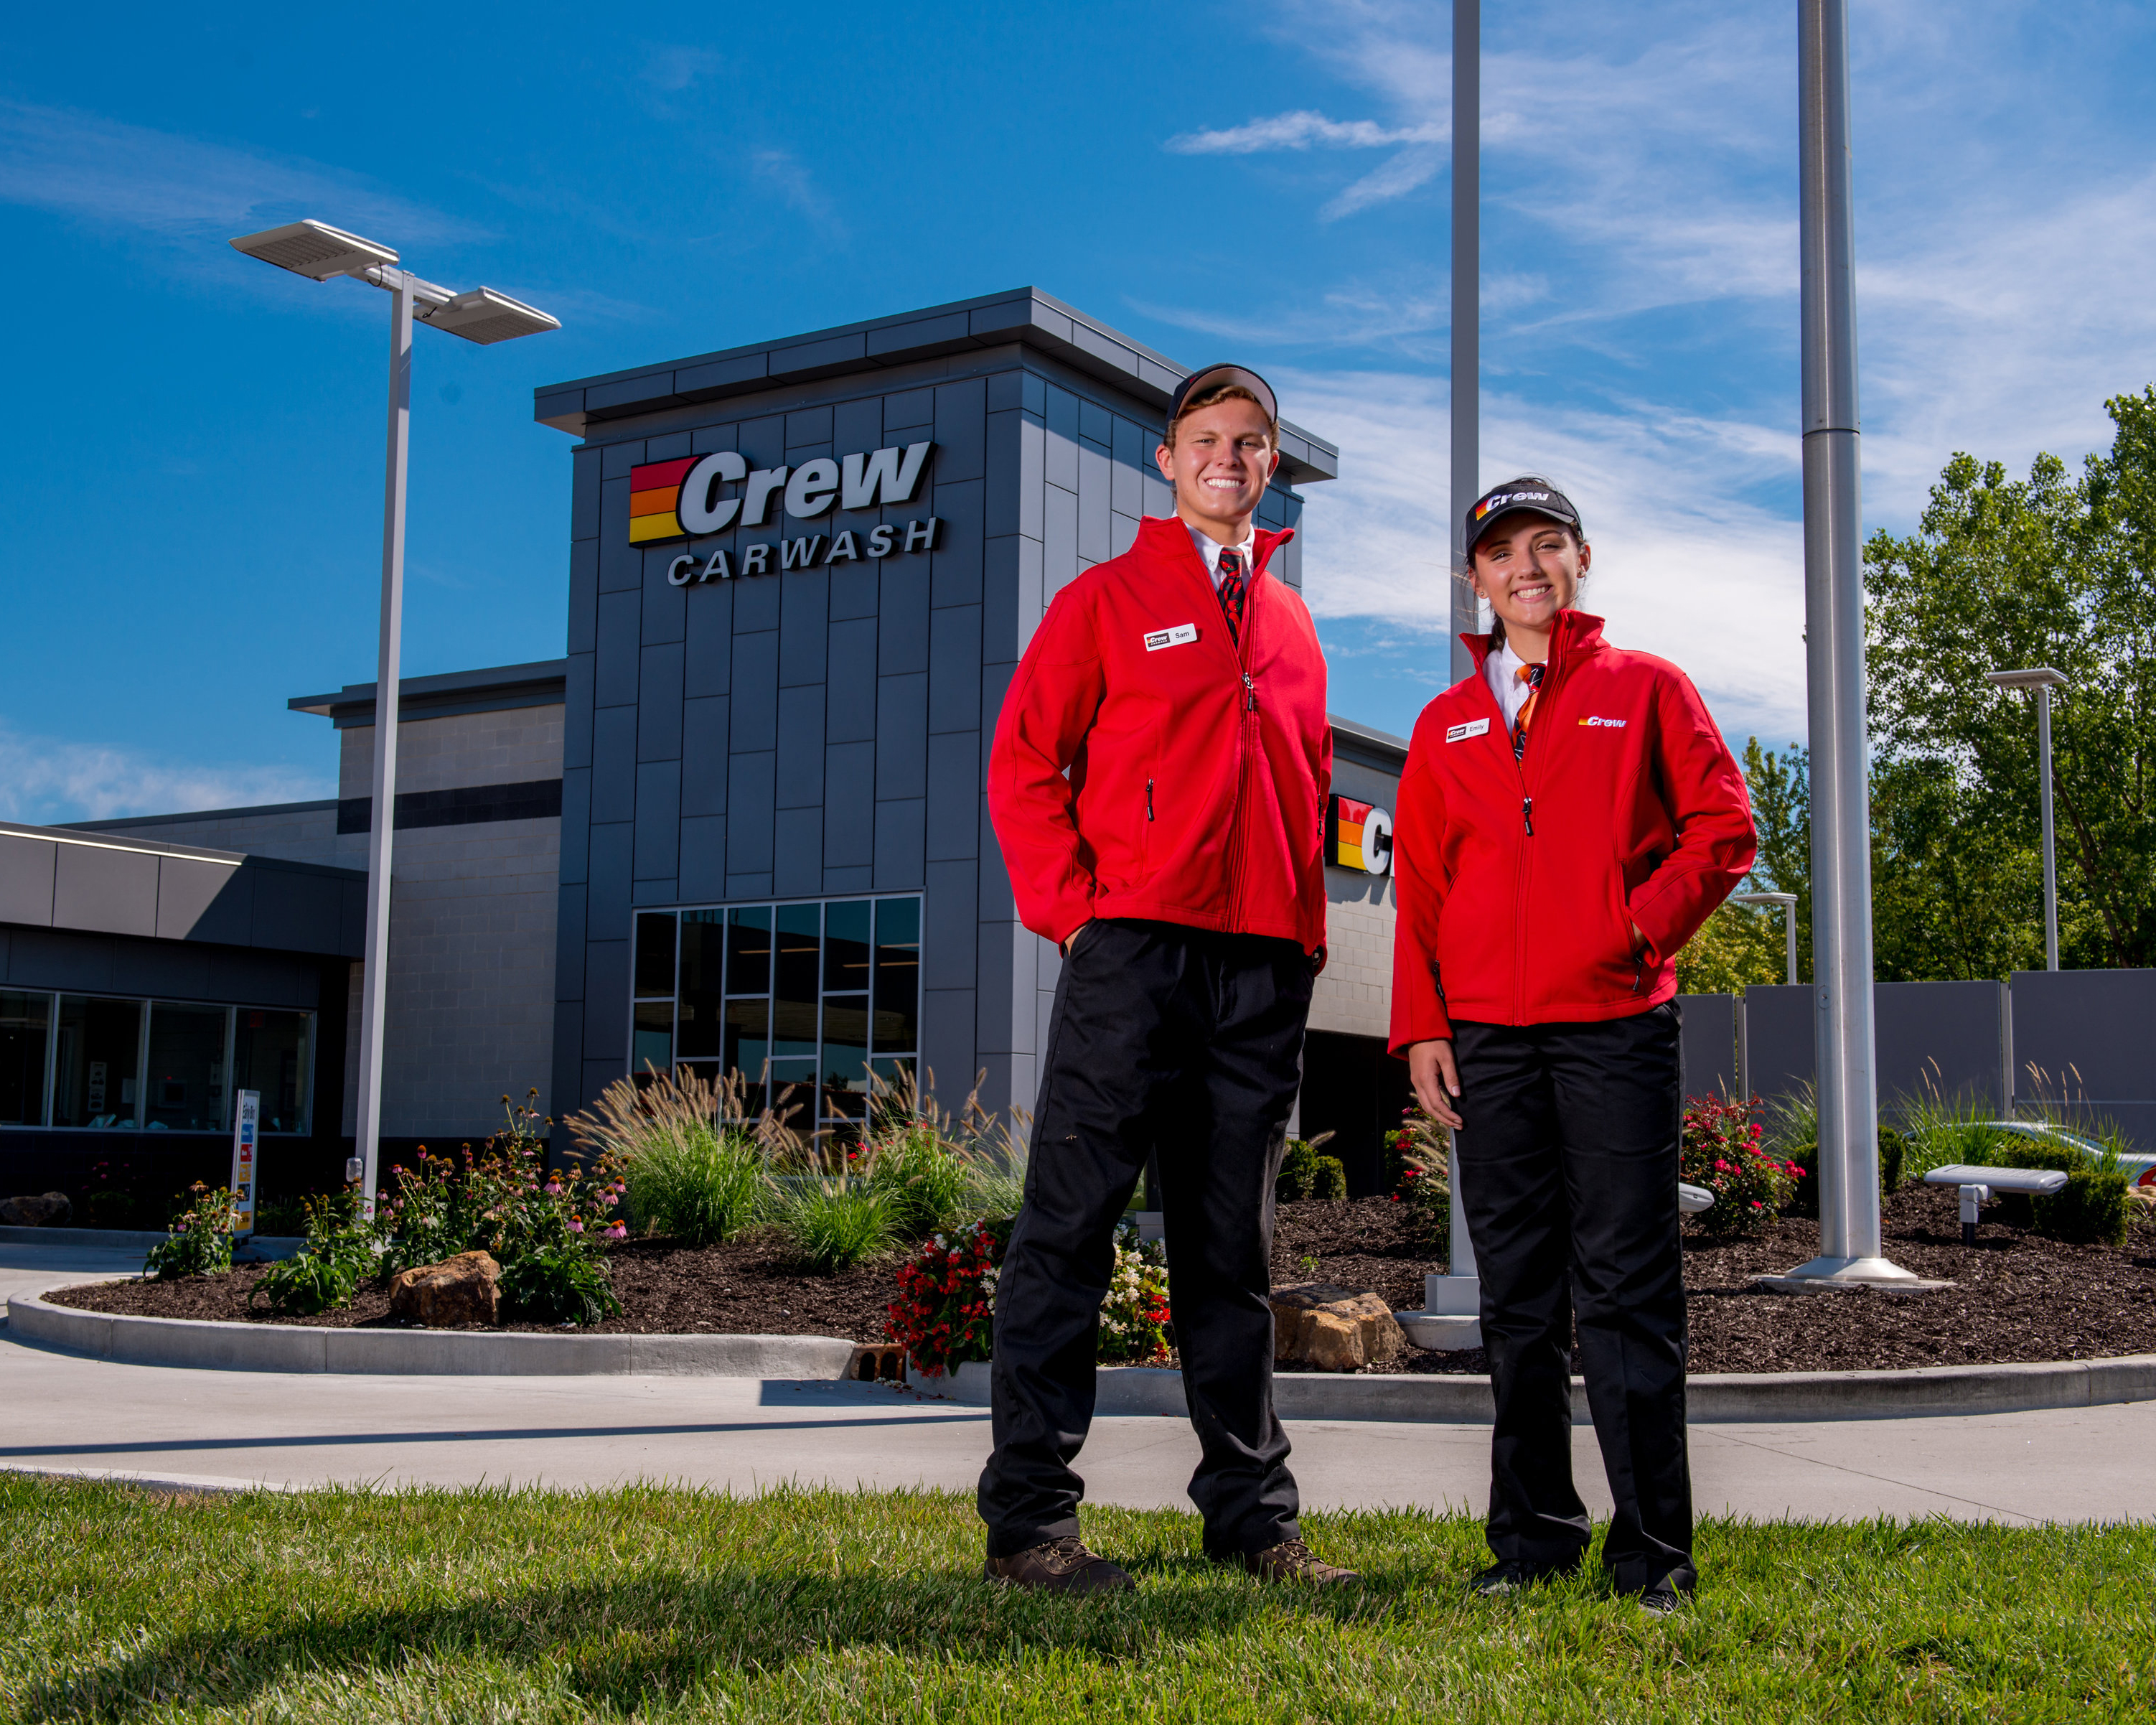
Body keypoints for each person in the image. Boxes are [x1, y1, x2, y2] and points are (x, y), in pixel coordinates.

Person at [978, 363, 1354, 1594]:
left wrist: (1304, 930)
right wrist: (1079, 918)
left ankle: (1254, 1520)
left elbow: (1301, 791)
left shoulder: (1294, 627)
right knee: (1069, 1231)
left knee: (1231, 1251)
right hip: (1132, 954)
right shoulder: (1108, 597)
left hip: (1261, 970)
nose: (1229, 459)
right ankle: (1032, 1523)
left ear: (1270, 466)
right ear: (1169, 460)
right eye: (1207, 439)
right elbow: (1027, 763)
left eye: (1251, 442)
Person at [1389, 477, 1756, 1615]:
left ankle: (1655, 1556)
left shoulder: (1644, 689)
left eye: (1548, 547)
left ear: (1582, 560)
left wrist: (1634, 928)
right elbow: (1425, 892)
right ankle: (1534, 1541)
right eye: (1504, 554)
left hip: (1614, 1028)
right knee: (1518, 1301)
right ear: (1476, 580)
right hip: (1489, 1039)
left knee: (1629, 1291)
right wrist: (1422, 1029)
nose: (1527, 569)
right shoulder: (1446, 722)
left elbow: (1725, 830)